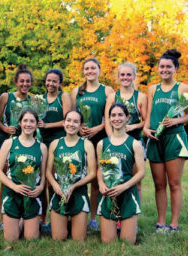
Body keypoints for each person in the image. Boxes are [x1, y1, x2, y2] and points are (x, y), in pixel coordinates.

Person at [143, 49, 188, 233]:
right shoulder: (152, 89)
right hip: (156, 138)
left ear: (175, 69)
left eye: (168, 67)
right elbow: (148, 115)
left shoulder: (183, 88)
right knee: (159, 184)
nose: (164, 69)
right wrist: (145, 129)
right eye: (161, 66)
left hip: (175, 138)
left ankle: (174, 224)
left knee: (174, 183)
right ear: (158, 68)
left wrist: (175, 120)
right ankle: (160, 222)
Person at [71, 58, 114, 230]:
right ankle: (76, 212)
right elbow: (72, 114)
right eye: (87, 68)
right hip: (80, 139)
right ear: (83, 71)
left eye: (93, 68)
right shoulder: (77, 91)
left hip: (100, 138)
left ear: (99, 70)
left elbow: (111, 116)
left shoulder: (107, 90)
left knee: (97, 179)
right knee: (77, 176)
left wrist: (97, 128)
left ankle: (94, 217)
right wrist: (79, 127)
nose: (90, 71)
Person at [0, 109, 47, 241]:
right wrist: (14, 187)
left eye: (32, 121)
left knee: (31, 239)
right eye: (25, 121)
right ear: (20, 123)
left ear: (36, 125)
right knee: (11, 239)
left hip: (31, 196)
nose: (28, 124)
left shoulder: (42, 147)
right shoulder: (9, 143)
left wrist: (40, 188)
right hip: (12, 195)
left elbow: (43, 174)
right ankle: (18, 220)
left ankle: (27, 220)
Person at [97, 104, 145, 244]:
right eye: (113, 115)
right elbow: (100, 169)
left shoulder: (135, 144)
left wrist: (123, 187)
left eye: (120, 115)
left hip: (127, 193)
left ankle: (126, 223)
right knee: (107, 242)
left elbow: (141, 172)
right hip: (109, 194)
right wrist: (100, 183)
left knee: (128, 242)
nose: (117, 118)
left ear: (127, 118)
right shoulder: (102, 144)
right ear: (109, 118)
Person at [46, 110, 96, 240]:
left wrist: (73, 186)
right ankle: (65, 221)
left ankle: (74, 220)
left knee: (78, 239)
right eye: (68, 120)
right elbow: (47, 172)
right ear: (63, 123)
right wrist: (55, 185)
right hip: (59, 194)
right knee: (58, 237)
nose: (71, 124)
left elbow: (93, 173)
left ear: (81, 125)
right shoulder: (55, 144)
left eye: (75, 121)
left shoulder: (87, 144)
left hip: (79, 193)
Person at [0, 64, 33, 228]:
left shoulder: (34, 101)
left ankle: (24, 215)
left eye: (28, 81)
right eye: (22, 81)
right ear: (16, 82)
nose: (25, 84)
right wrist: (4, 128)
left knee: (26, 178)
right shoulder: (6, 96)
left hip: (27, 145)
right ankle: (3, 218)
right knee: (6, 181)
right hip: (8, 144)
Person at [105, 62, 147, 202]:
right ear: (118, 77)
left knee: (136, 182)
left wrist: (133, 127)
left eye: (129, 74)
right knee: (115, 179)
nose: (125, 77)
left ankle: (134, 215)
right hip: (115, 143)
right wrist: (112, 140)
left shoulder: (140, 97)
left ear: (134, 76)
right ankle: (116, 215)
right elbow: (107, 120)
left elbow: (146, 122)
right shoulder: (112, 97)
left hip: (134, 142)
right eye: (122, 75)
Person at [37, 69, 72, 228]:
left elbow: (68, 120)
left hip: (58, 144)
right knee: (42, 182)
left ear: (60, 83)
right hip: (41, 144)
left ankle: (58, 215)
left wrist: (47, 125)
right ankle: (42, 217)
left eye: (54, 81)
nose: (50, 84)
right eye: (48, 80)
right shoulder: (40, 99)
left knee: (55, 182)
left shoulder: (63, 97)